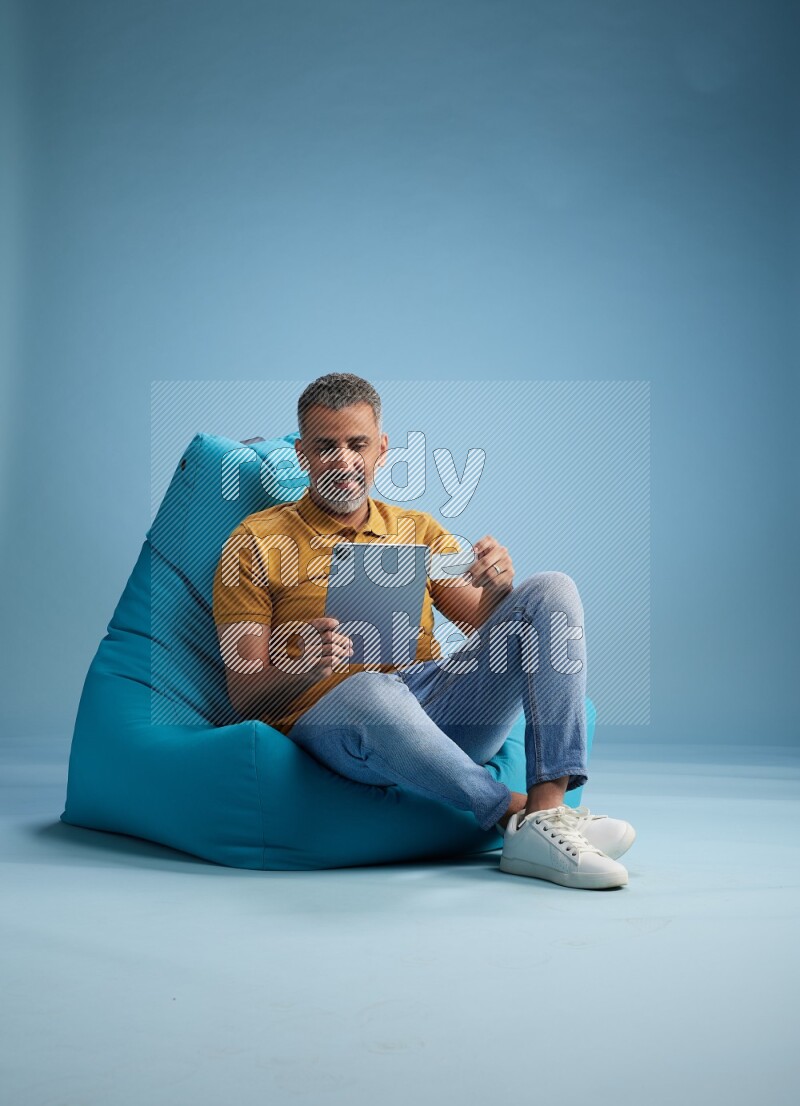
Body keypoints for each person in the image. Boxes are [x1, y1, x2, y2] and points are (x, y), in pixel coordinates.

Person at [212, 373, 636, 890]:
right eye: (325, 447)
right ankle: (510, 814)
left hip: (434, 709)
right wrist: (302, 666)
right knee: (372, 689)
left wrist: (498, 586)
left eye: (357, 444)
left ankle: (547, 815)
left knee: (550, 588)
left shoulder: (415, 528)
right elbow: (244, 693)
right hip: (342, 726)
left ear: (382, 449)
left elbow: (490, 626)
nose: (343, 462)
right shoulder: (255, 540)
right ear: (303, 454)